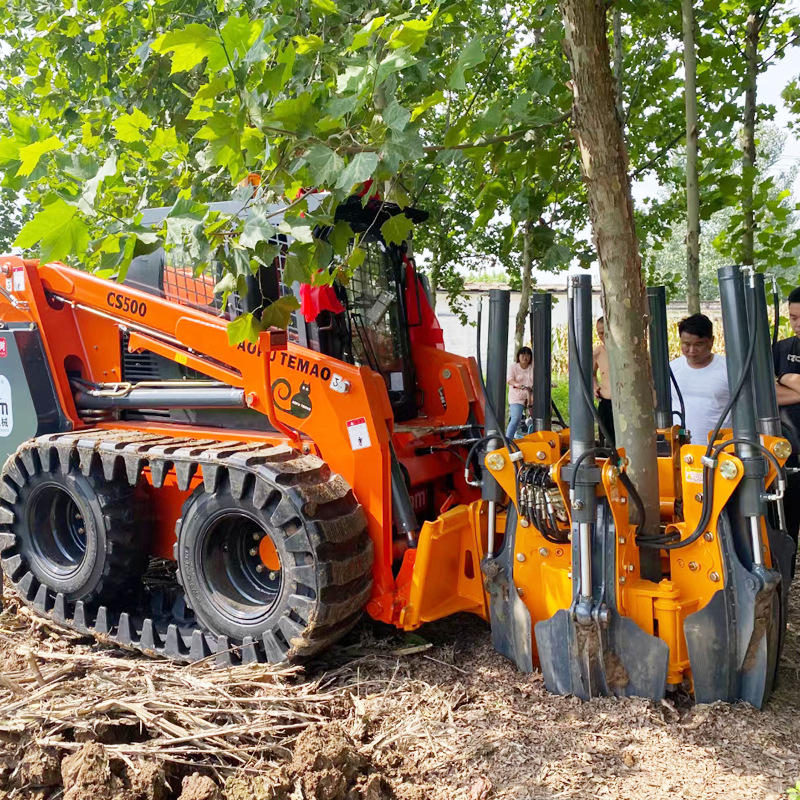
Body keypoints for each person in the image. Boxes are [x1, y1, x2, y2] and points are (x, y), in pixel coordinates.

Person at [670, 313, 730, 444]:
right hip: (680, 450)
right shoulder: (671, 369)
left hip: (719, 450)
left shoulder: (729, 369)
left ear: (711, 341)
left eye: (698, 344)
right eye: (686, 344)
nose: (692, 350)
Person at [772, 286, 800, 552]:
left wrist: (784, 378)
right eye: (793, 317)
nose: (797, 324)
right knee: (786, 529)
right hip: (787, 456)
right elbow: (764, 394)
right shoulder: (780, 349)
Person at [592, 316, 615, 447]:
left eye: (604, 332)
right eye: (599, 333)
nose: (602, 336)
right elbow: (590, 373)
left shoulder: (626, 349)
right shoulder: (598, 351)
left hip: (625, 404)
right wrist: (594, 386)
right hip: (606, 402)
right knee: (606, 440)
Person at [506, 346, 533, 439]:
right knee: (516, 418)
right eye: (523, 354)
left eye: (527, 355)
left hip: (530, 397)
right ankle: (508, 441)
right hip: (517, 397)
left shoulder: (532, 367)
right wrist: (517, 385)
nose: (525, 357)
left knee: (541, 416)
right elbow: (509, 379)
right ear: (518, 356)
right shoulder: (513, 367)